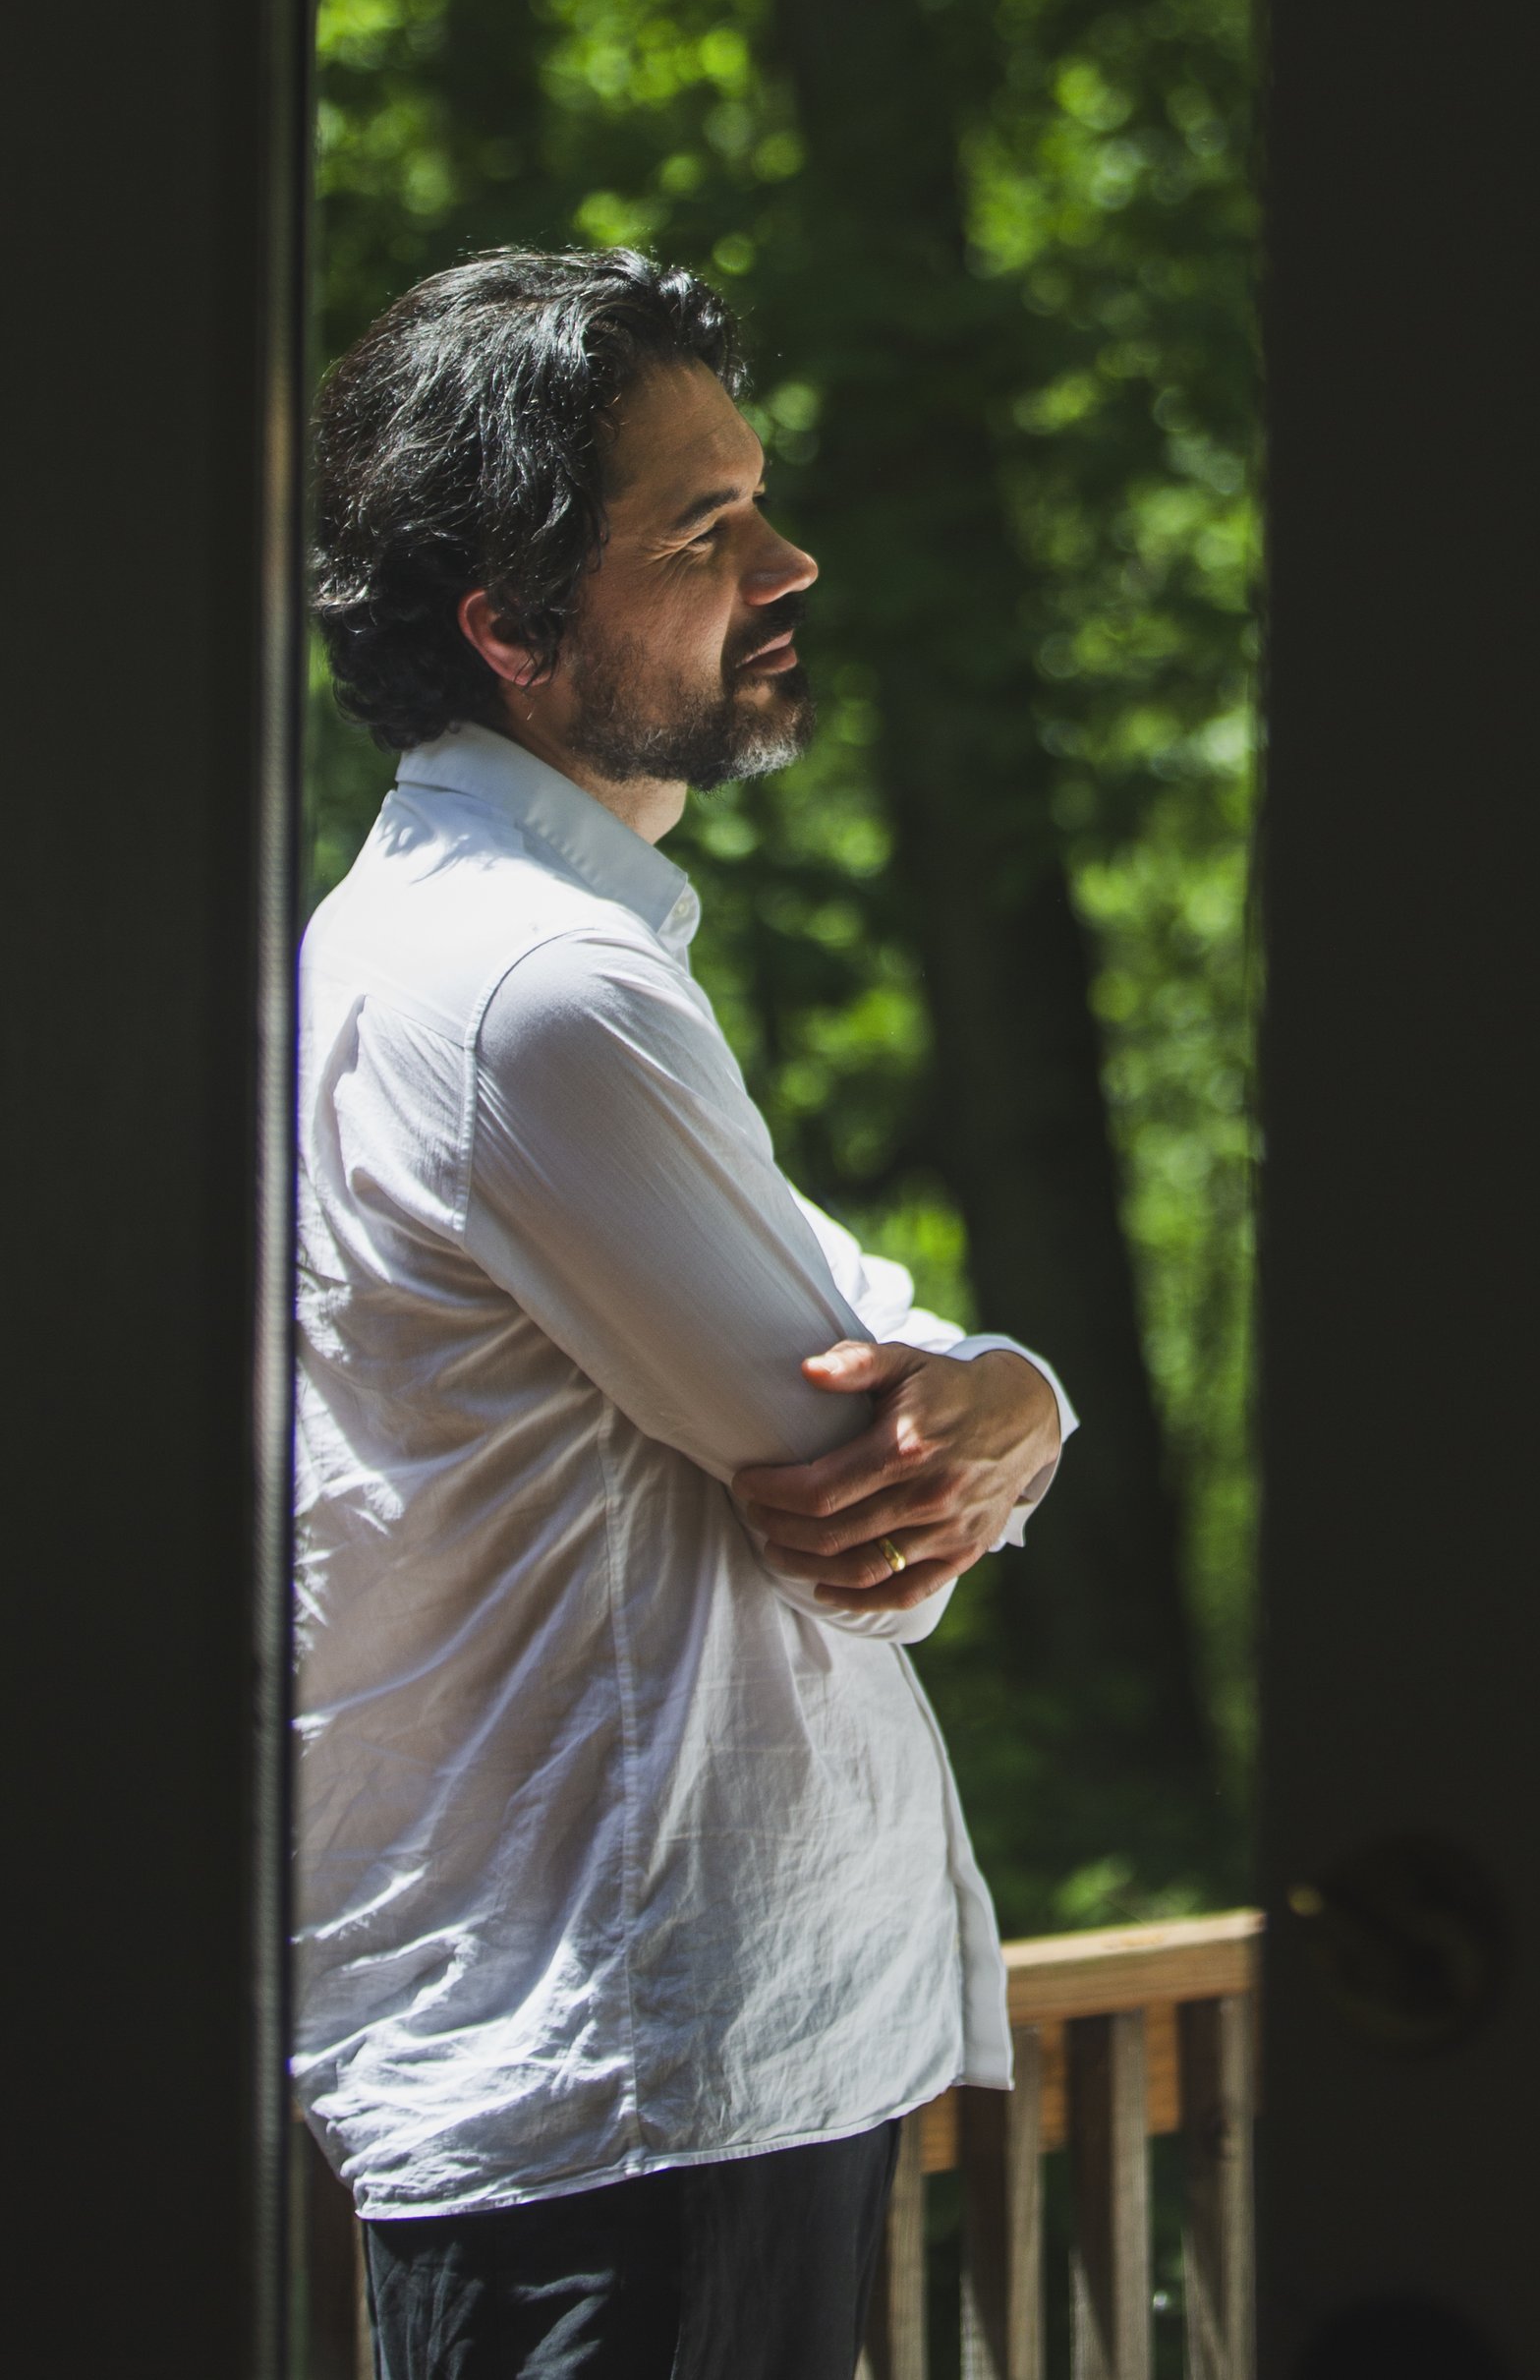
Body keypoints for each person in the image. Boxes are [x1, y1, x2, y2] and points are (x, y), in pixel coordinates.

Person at [293, 247, 1072, 2380]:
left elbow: (868, 1334)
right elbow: (871, 1541)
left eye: (761, 501)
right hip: (628, 2088)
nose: (786, 561)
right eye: (704, 530)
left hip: (636, 2074)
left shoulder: (502, 954)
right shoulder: (531, 997)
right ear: (508, 625)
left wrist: (1014, 1388)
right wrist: (968, 1421)